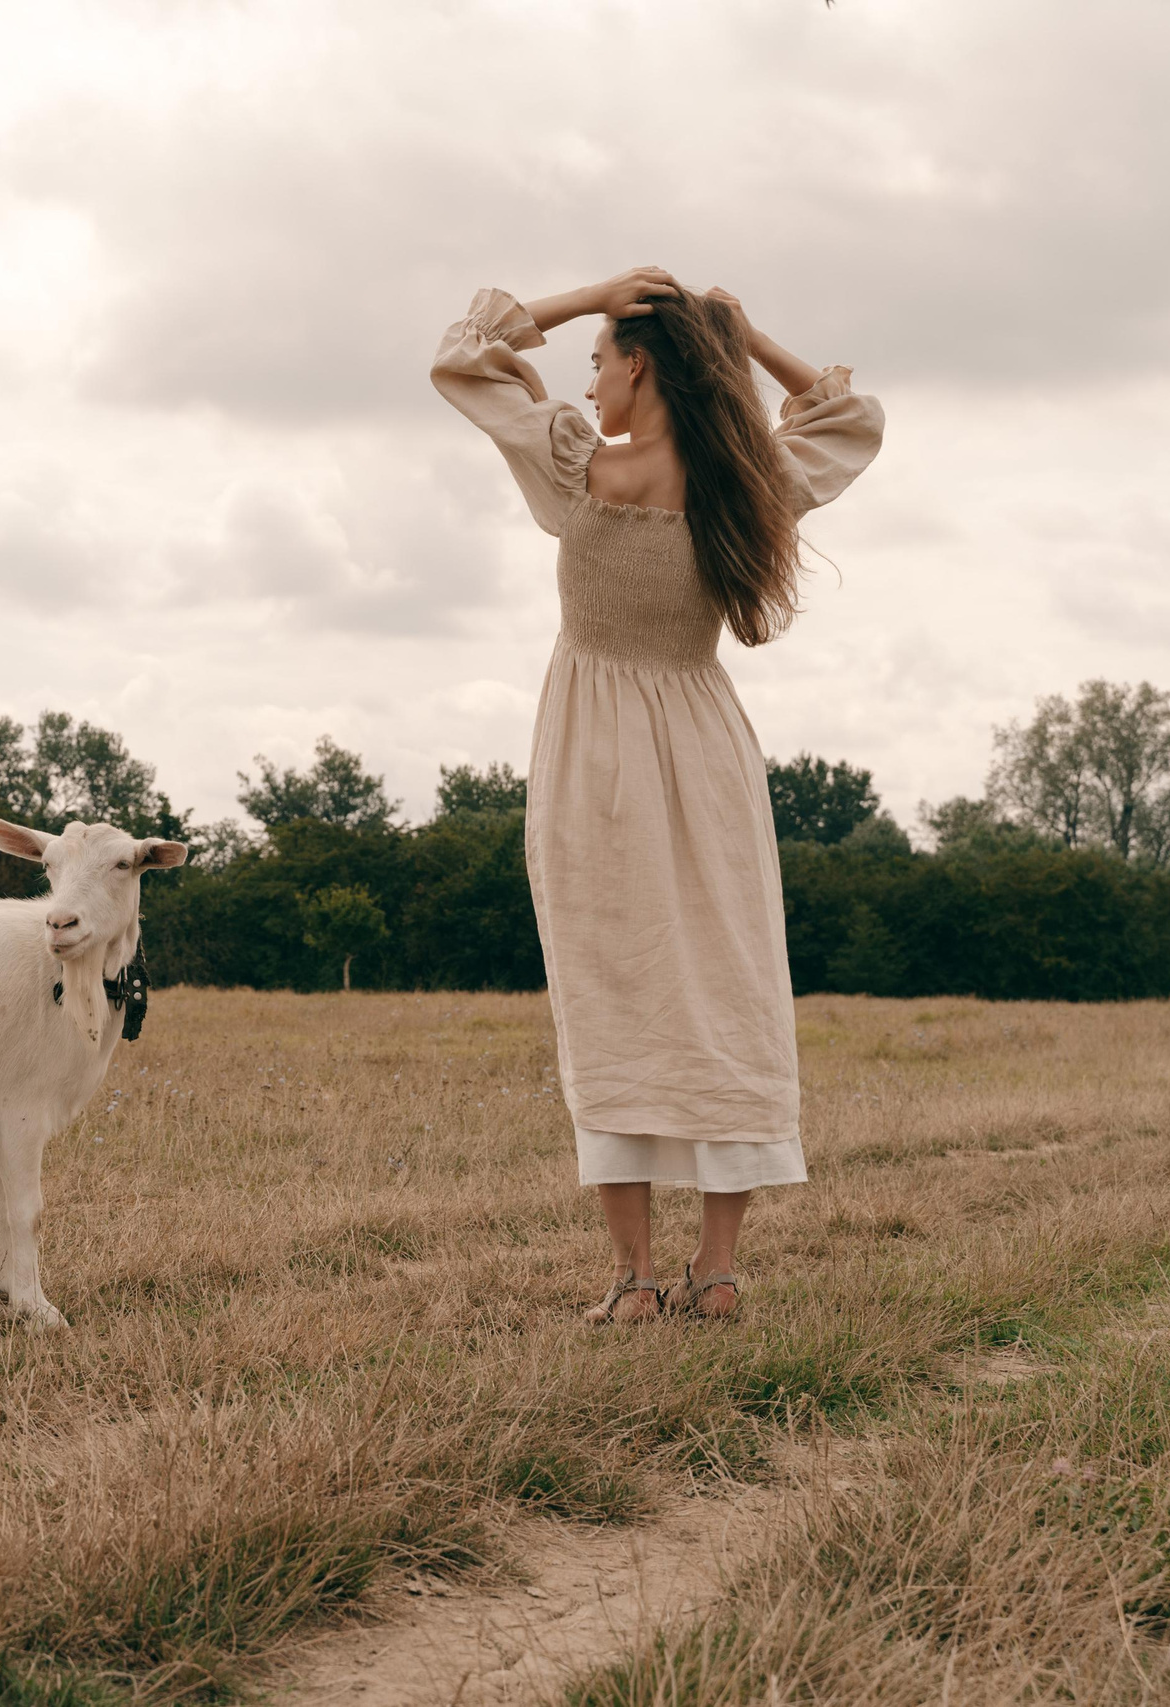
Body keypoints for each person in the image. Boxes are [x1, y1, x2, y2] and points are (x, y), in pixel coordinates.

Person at [431, 267, 883, 1323]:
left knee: (611, 995)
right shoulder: (747, 479)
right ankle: (715, 1274)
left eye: (596, 362)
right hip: (706, 752)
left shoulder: (574, 468)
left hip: (591, 756)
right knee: (725, 988)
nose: (585, 386)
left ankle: (634, 1282)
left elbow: (459, 354)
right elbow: (852, 417)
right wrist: (742, 335)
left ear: (638, 364)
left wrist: (586, 290)